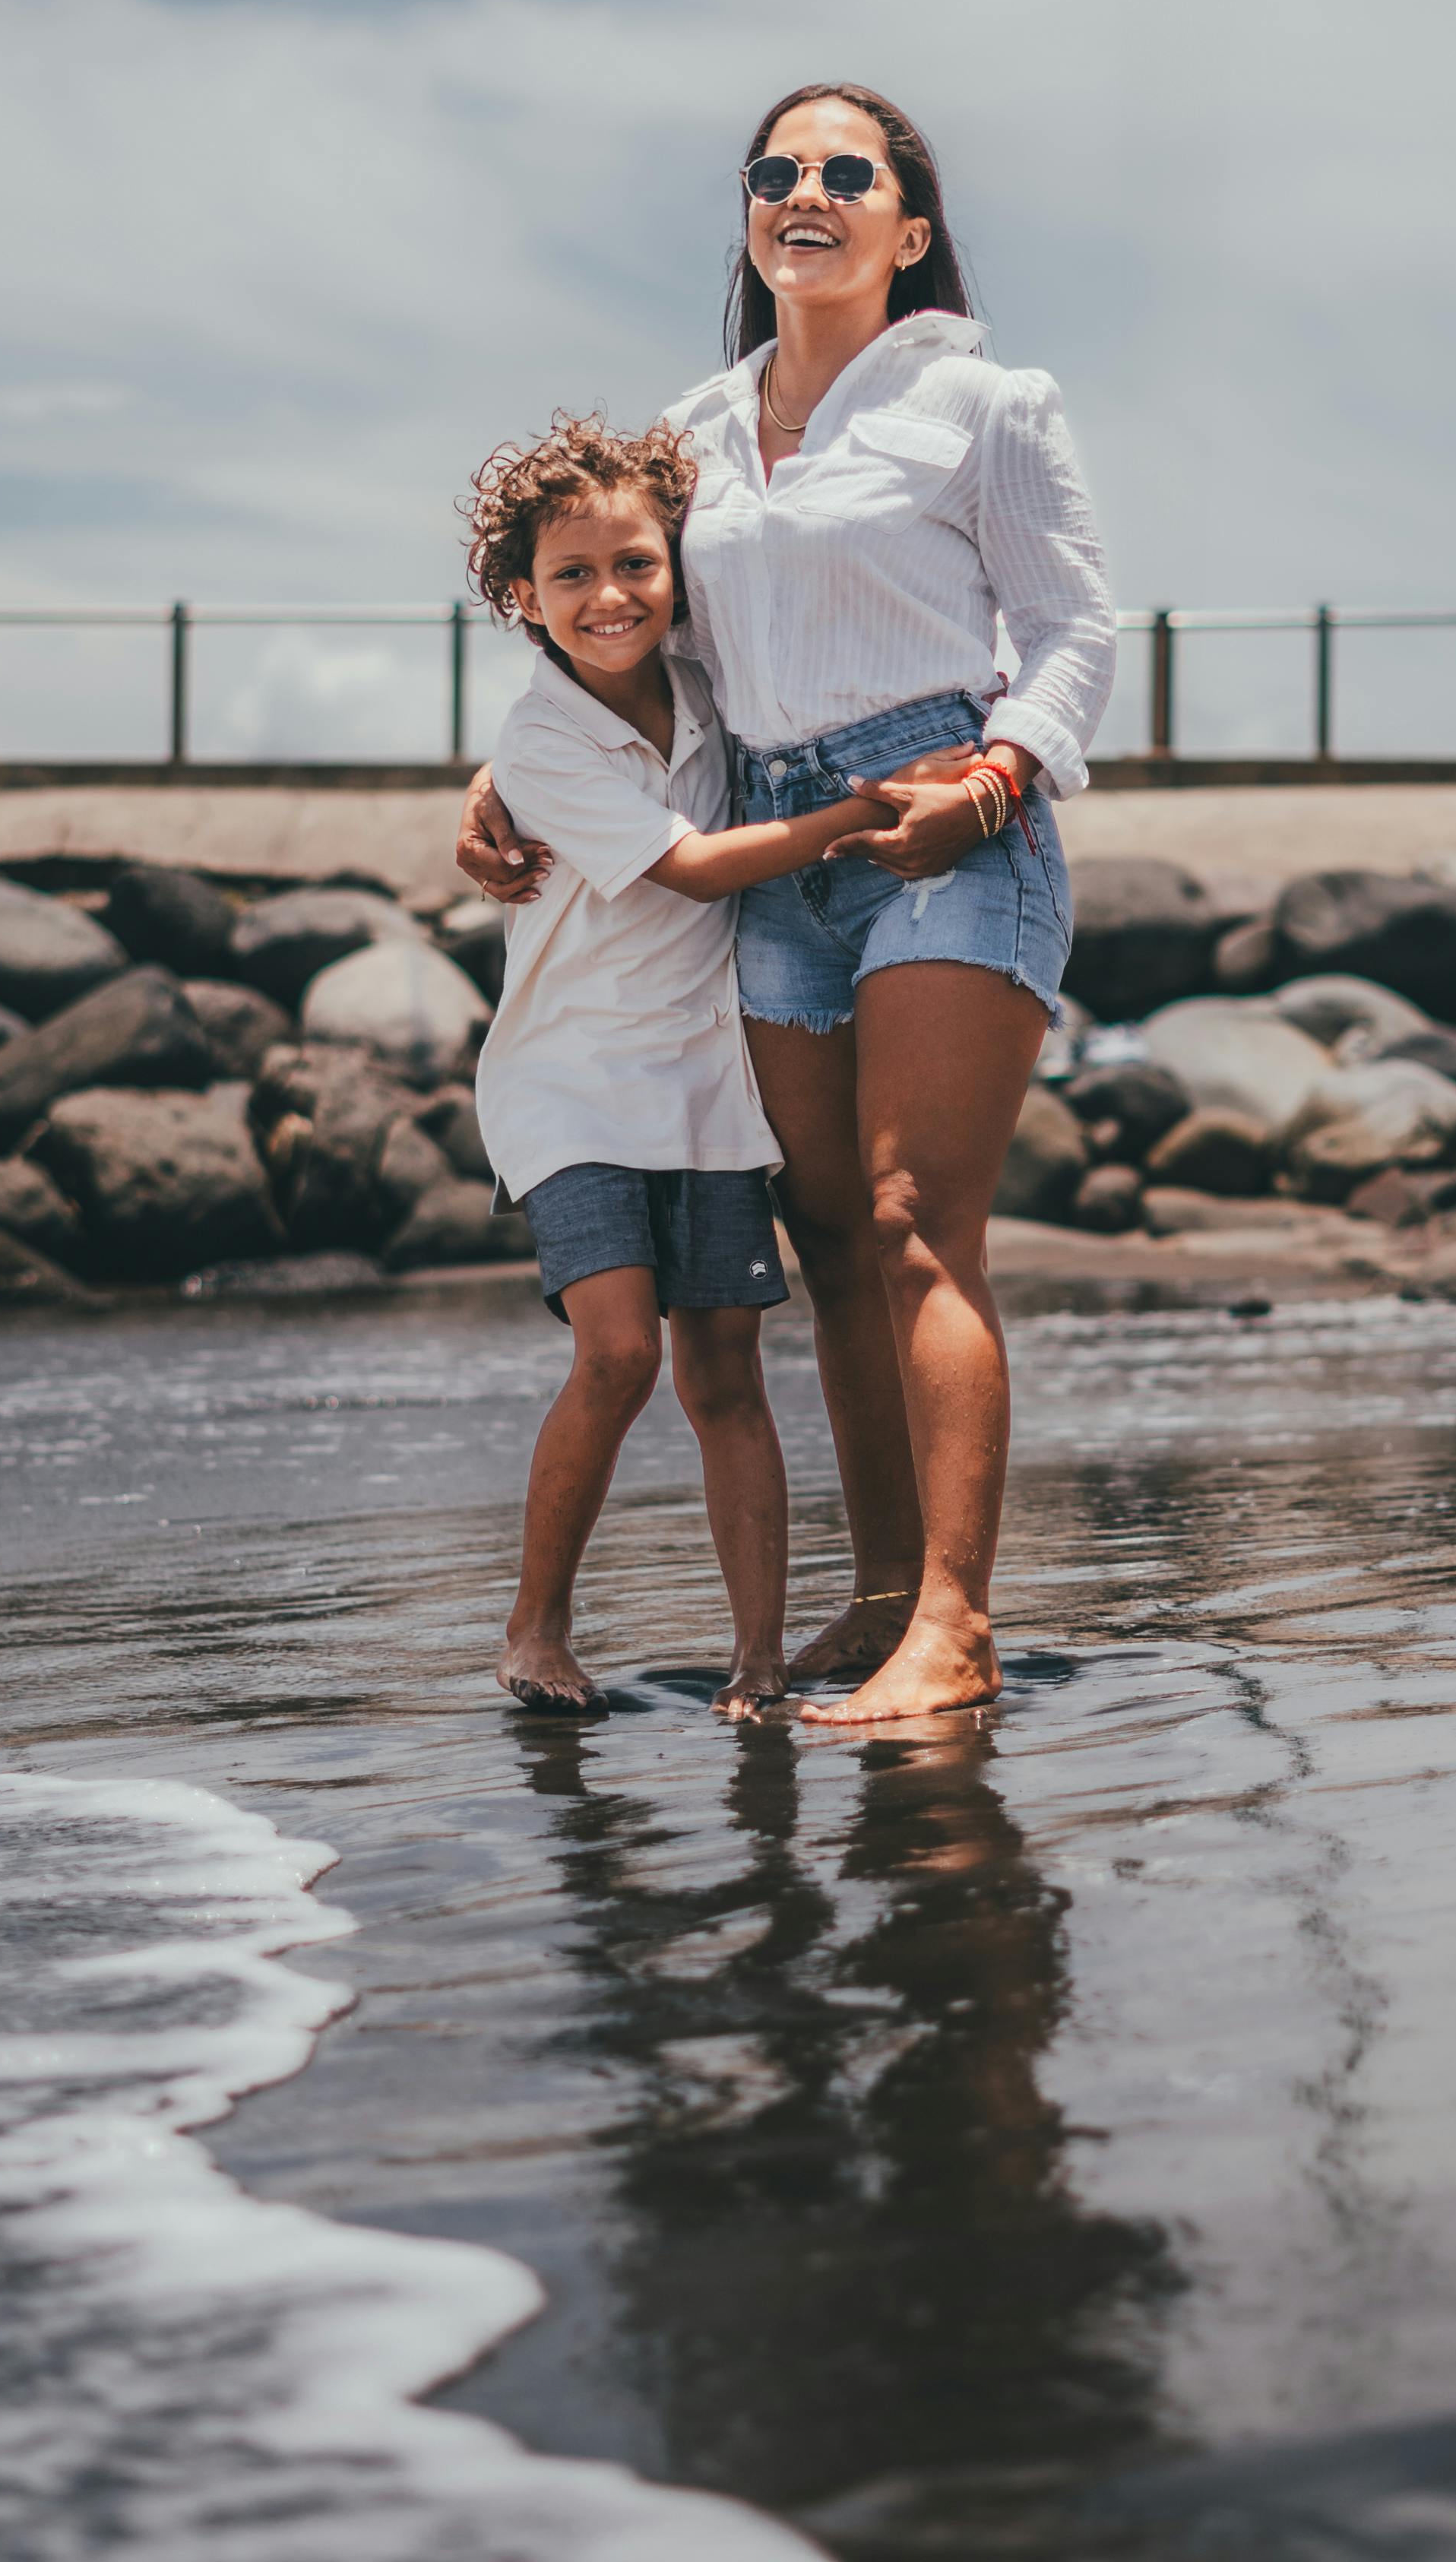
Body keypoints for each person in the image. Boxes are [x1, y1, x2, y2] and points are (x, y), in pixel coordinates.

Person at [460, 84, 1116, 1725]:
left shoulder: (985, 404)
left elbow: (1074, 631)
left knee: (908, 1219)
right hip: (767, 827)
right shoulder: (689, 434)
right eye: (775, 172)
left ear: (907, 229)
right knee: (825, 1241)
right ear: (751, 218)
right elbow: (646, 634)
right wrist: (517, 772)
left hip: (940, 809)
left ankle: (954, 1625)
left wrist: (1001, 775)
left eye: (846, 172)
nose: (803, 190)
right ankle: (885, 1595)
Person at [464, 410, 899, 1722]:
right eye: (574, 577)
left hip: (707, 1091)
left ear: (678, 570)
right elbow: (691, 865)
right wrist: (858, 818)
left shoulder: (712, 694)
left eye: (637, 566)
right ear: (521, 600)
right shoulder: (541, 744)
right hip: (570, 1084)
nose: (611, 596)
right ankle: (535, 1629)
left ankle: (758, 1664)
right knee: (617, 1356)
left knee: (724, 1372)